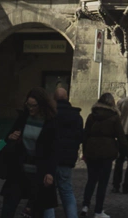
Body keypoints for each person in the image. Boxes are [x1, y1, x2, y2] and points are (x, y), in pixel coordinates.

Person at [0, 87, 58, 218]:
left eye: (34, 106)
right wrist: (11, 136)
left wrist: (50, 172)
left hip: (38, 171)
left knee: (36, 209)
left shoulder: (50, 122)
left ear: (41, 105)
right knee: (8, 206)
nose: (30, 108)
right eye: (28, 105)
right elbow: (9, 136)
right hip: (19, 168)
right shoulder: (23, 117)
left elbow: (53, 149)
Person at [81, 92, 128, 218]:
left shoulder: (91, 116)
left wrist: (84, 151)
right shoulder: (114, 117)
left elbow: (85, 135)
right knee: (102, 182)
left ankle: (85, 206)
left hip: (91, 150)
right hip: (107, 152)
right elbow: (121, 137)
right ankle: (98, 211)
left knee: (91, 180)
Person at [53, 86, 83, 218]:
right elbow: (79, 137)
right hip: (67, 158)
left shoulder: (51, 114)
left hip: (51, 157)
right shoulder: (76, 116)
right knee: (67, 191)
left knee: (47, 193)